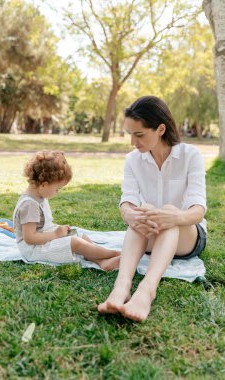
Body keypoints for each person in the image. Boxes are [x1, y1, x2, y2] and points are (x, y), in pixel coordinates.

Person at [98, 96, 207, 321]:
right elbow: (127, 200)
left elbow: (198, 210)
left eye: (139, 135)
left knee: (166, 211)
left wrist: (173, 215)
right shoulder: (132, 160)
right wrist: (129, 213)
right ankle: (122, 286)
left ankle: (147, 290)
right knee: (144, 208)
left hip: (187, 236)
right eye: (130, 134)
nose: (132, 142)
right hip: (150, 234)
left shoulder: (190, 156)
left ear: (160, 129)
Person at [13, 151, 120, 270]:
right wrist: (55, 234)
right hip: (33, 250)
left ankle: (101, 261)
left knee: (76, 233)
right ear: (43, 185)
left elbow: (42, 227)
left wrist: (59, 231)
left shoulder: (39, 196)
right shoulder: (29, 205)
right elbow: (30, 238)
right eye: (57, 189)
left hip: (42, 239)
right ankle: (116, 254)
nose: (57, 192)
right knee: (74, 242)